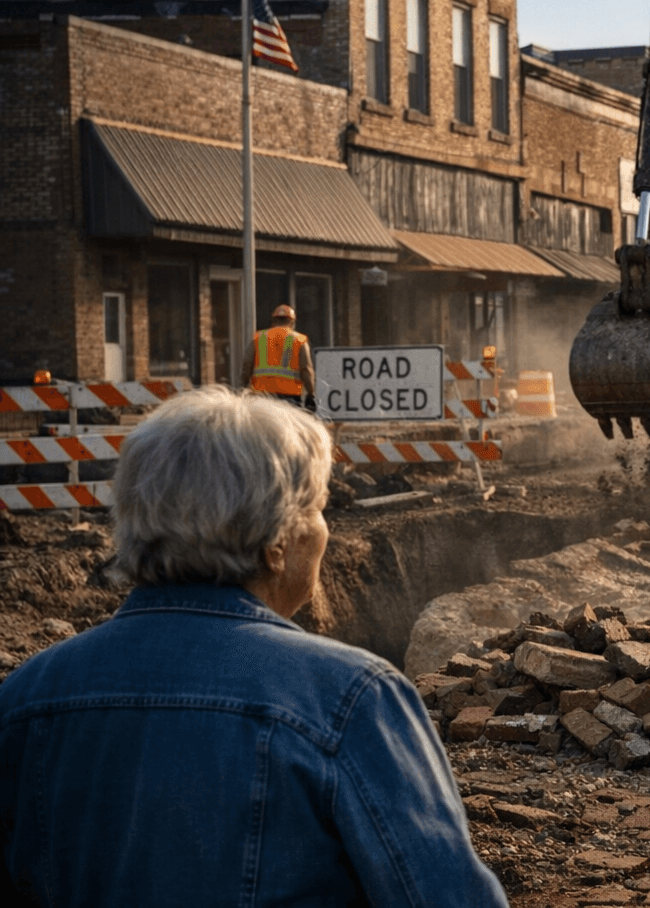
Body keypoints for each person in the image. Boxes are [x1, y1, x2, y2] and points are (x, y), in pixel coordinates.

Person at [0, 387, 508, 907]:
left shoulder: (23, 699)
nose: (324, 530)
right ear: (279, 542)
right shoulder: (352, 699)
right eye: (319, 508)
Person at [242, 303, 317, 408]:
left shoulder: (259, 338)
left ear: (273, 321)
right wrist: (311, 393)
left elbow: (247, 364)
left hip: (261, 395)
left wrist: (242, 387)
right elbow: (306, 369)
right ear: (292, 322)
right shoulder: (299, 340)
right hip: (289, 397)